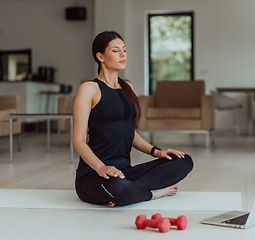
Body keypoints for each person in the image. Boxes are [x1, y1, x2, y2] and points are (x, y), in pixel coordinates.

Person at [73, 31, 193, 207]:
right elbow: (78, 140)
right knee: (116, 186)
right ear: (101, 57)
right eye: (115, 51)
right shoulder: (89, 89)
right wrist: (101, 168)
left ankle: (127, 192)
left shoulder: (127, 87)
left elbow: (129, 132)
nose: (123, 55)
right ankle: (151, 194)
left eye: (124, 50)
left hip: (124, 172)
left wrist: (157, 152)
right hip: (93, 175)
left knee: (183, 161)